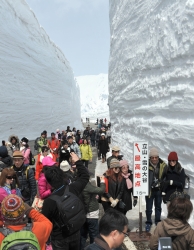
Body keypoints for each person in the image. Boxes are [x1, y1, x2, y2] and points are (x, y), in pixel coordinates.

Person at [42, 152, 89, 250]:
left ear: (49, 183)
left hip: (59, 238)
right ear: (62, 176)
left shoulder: (49, 202)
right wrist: (78, 161)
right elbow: (85, 176)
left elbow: (45, 223)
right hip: (75, 231)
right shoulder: (73, 188)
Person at [80, 175, 106, 249]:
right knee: (94, 235)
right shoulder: (86, 185)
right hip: (91, 214)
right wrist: (102, 181)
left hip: (83, 214)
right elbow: (101, 190)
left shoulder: (77, 183)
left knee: (83, 235)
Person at [145, 147, 167, 232]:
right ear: (150, 158)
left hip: (158, 190)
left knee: (158, 207)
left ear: (158, 157)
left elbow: (165, 176)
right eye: (152, 157)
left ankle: (158, 221)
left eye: (156, 157)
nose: (154, 159)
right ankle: (148, 222)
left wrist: (161, 184)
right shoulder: (145, 165)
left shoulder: (163, 165)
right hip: (149, 190)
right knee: (149, 208)